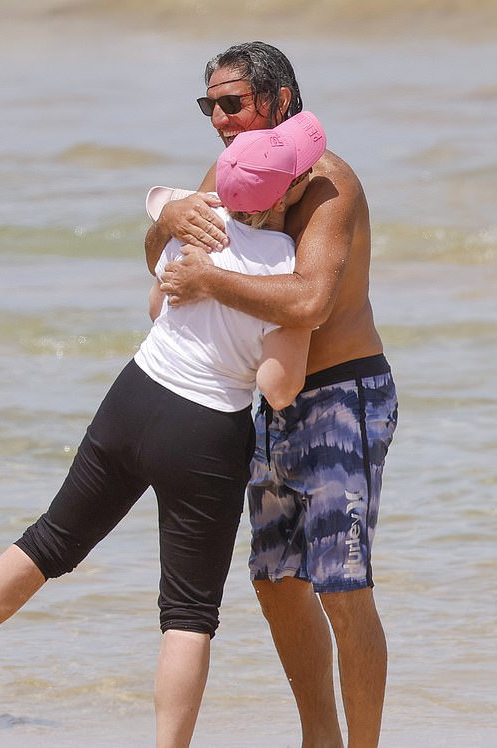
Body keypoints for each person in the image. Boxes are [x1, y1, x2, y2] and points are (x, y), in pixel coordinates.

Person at [0, 112, 326, 748]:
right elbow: (276, 383)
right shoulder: (286, 261)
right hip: (208, 430)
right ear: (285, 196)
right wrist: (299, 332)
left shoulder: (197, 221)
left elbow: (157, 304)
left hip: (135, 394)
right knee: (188, 614)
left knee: (49, 540)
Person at [145, 42, 398, 748]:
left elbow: (310, 301)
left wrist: (210, 281)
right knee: (276, 580)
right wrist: (165, 219)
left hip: (343, 393)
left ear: (281, 99)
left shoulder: (328, 184)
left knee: (342, 588)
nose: (219, 120)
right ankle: (319, 737)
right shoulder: (228, 174)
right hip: (270, 400)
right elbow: (165, 262)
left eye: (232, 103)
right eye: (210, 106)